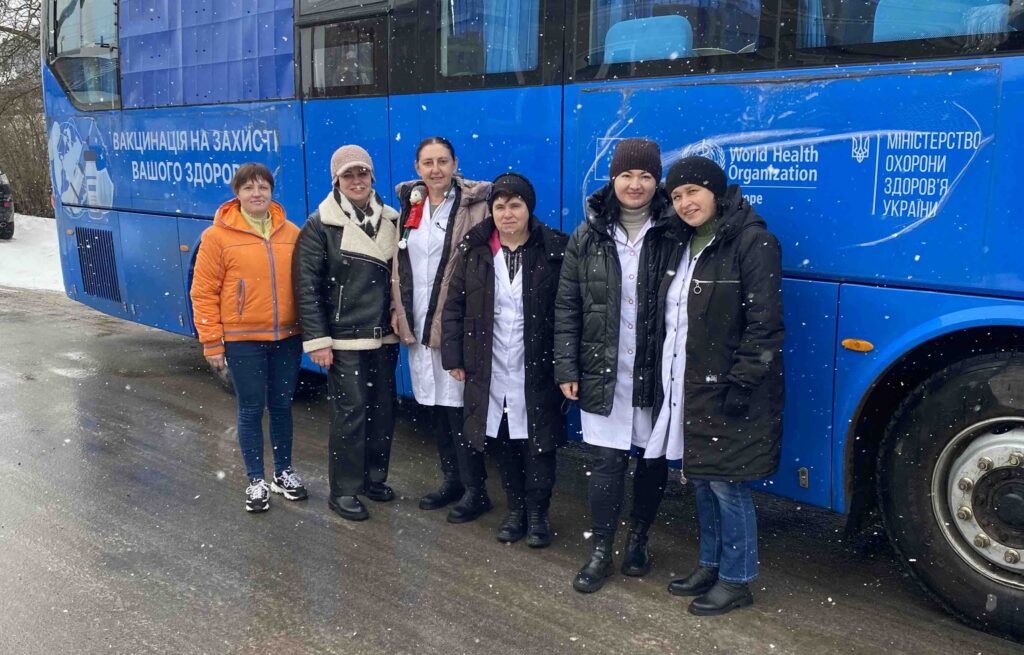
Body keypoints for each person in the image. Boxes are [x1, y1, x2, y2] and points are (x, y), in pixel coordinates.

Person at [654, 156, 784, 615]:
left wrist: (743, 382)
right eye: (676, 196)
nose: (685, 203)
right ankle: (710, 564)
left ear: (715, 191)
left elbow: (766, 325)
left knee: (728, 486)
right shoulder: (683, 243)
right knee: (702, 480)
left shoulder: (753, 241)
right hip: (692, 384)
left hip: (730, 387)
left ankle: (737, 579)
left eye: (693, 191)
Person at [554, 139, 686, 593]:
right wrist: (566, 367)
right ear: (613, 179)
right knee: (606, 463)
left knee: (651, 462)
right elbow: (568, 306)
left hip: (654, 367)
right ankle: (600, 548)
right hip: (601, 368)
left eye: (646, 176)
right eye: (627, 175)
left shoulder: (674, 233)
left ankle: (638, 540)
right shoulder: (587, 235)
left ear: (657, 181)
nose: (635, 184)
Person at [441, 173, 568, 547]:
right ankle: (516, 511)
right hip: (489, 365)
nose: (507, 213)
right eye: (500, 206)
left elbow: (569, 311)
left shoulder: (554, 250)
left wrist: (566, 363)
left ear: (529, 208)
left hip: (538, 365)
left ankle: (538, 514)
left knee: (539, 443)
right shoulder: (475, 250)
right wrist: (454, 356)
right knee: (503, 439)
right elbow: (454, 306)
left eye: (515, 205)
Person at [190, 163, 307, 513]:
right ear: (237, 193)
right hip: (243, 339)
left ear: (271, 191)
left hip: (287, 337)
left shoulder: (292, 233)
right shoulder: (217, 237)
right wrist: (212, 341)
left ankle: (283, 472)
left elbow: (305, 283)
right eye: (248, 188)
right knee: (252, 408)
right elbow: (204, 292)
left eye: (263, 187)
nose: (257, 194)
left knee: (282, 406)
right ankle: (256, 479)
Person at [293, 145, 400, 521]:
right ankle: (343, 490)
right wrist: (318, 341)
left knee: (383, 410)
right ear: (336, 181)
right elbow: (306, 286)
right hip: (344, 337)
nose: (357, 181)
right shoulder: (320, 224)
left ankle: (373, 478)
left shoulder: (391, 219)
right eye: (348, 175)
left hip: (383, 335)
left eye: (362, 173)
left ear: (372, 177)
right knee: (350, 414)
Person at [391, 137, 494, 523]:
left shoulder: (474, 205)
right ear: (417, 167)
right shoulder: (410, 205)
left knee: (459, 407)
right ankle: (451, 480)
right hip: (418, 319)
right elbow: (400, 262)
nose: (435, 169)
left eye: (442, 161)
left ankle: (475, 489)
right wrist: (397, 309)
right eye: (428, 162)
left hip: (454, 322)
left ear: (455, 164)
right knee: (434, 405)